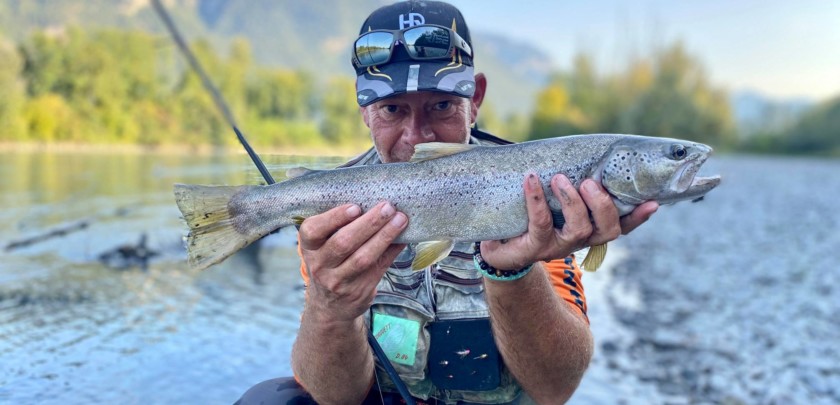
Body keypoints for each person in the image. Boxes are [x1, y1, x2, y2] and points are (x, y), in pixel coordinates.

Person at [236, 1, 658, 404]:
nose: (417, 136)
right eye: (393, 110)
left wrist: (510, 271)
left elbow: (554, 390)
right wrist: (331, 309)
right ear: (364, 110)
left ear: (474, 99)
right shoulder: (336, 205)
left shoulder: (535, 182)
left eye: (441, 106)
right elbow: (334, 397)